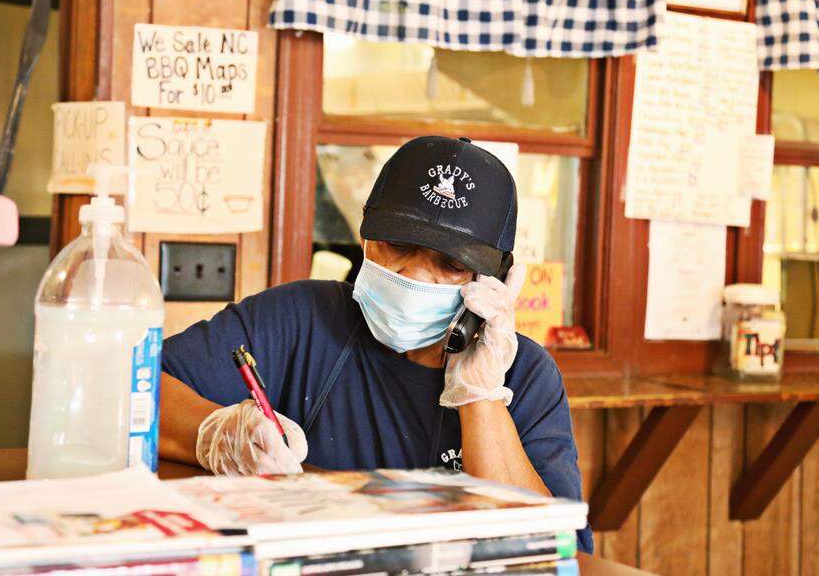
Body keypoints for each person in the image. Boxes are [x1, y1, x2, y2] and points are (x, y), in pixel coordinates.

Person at [160, 135, 591, 553]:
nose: (416, 276)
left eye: (452, 264)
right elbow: (142, 391)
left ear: (493, 279)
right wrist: (215, 432)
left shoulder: (525, 373)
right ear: (366, 233)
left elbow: (551, 546)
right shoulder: (300, 316)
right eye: (398, 245)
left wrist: (481, 396)